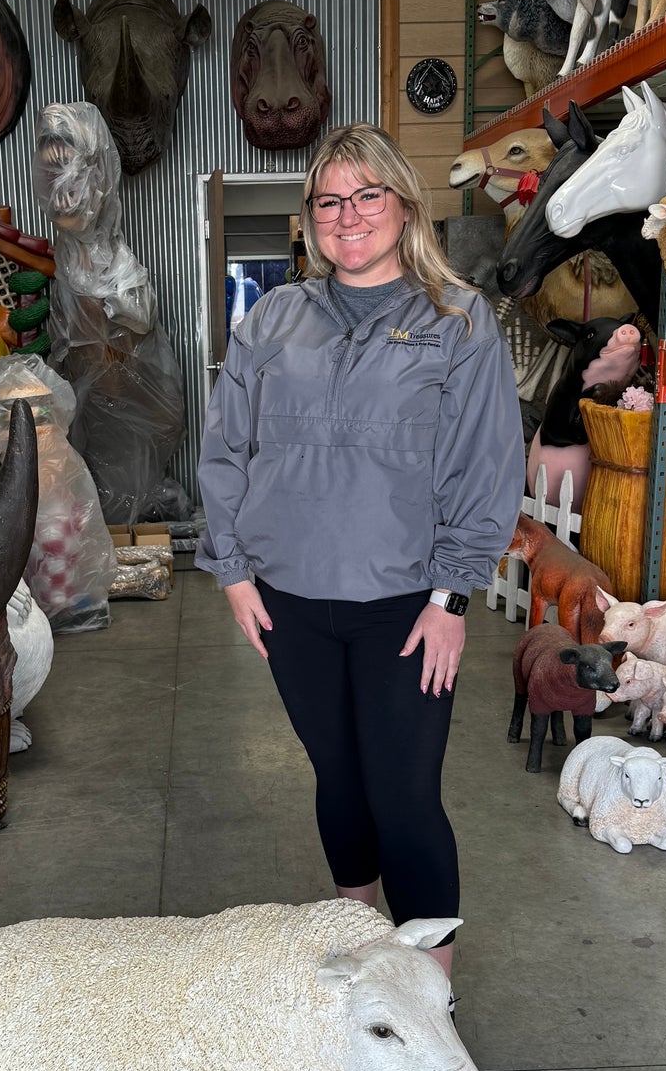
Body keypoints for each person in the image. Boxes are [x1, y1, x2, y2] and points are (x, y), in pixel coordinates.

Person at [196, 123, 524, 977]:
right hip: (289, 602)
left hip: (404, 607)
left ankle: (429, 989)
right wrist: (232, 571)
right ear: (309, 217)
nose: (348, 216)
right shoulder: (273, 318)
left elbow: (484, 466)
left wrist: (452, 598)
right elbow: (226, 448)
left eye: (366, 195)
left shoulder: (456, 321)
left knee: (405, 796)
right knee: (336, 777)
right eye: (329, 200)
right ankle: (355, 943)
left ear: (402, 205)